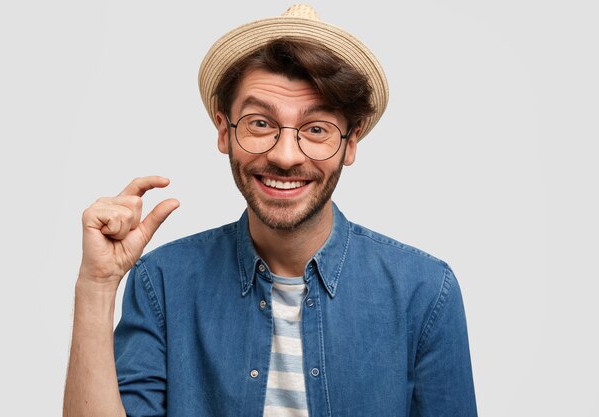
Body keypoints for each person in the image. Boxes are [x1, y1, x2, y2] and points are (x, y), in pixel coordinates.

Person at [63, 4, 477, 417]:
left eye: (317, 129)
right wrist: (97, 285)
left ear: (350, 144)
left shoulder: (426, 292)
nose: (284, 156)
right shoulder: (163, 283)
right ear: (225, 132)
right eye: (260, 123)